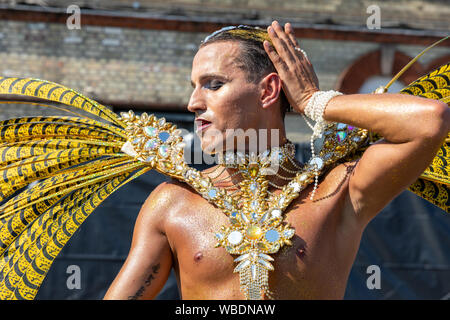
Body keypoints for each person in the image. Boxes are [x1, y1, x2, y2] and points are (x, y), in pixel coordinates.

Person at [103, 21, 449, 300]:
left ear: (268, 91)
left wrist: (315, 101)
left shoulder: (335, 191)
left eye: (213, 84)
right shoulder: (173, 202)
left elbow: (430, 120)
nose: (194, 102)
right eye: (194, 86)